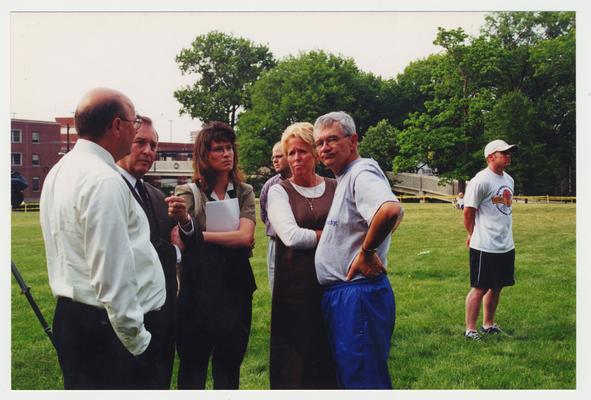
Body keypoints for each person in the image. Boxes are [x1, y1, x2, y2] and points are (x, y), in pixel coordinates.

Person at [39, 88, 166, 389]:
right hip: (110, 332)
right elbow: (113, 273)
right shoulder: (104, 180)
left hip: (76, 319)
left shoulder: (60, 171)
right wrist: (137, 340)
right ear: (117, 125)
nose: (136, 131)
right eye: (135, 124)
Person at [313, 111, 404, 389]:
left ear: (353, 141)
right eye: (319, 143)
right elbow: (395, 215)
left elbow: (390, 210)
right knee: (352, 376)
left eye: (332, 139)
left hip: (358, 295)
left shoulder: (361, 172)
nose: (324, 148)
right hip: (346, 296)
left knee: (363, 380)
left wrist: (366, 252)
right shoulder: (347, 176)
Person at [167, 121, 257, 389]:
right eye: (218, 149)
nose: (227, 153)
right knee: (192, 368)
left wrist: (198, 236)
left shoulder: (244, 192)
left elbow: (245, 236)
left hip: (236, 289)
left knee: (229, 368)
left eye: (229, 148)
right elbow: (179, 238)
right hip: (198, 291)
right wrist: (189, 231)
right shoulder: (188, 192)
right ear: (204, 155)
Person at [267, 122, 338, 389]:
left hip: (332, 284)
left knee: (328, 354)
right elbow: (292, 237)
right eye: (291, 153)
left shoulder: (335, 186)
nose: (296, 158)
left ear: (316, 154)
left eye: (303, 151)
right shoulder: (279, 190)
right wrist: (331, 234)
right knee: (296, 360)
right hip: (294, 290)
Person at [116, 116, 180, 388]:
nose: (148, 151)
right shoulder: (110, 188)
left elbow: (170, 241)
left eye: (153, 145)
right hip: (128, 317)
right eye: (140, 142)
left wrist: (183, 229)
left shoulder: (155, 194)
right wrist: (173, 251)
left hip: (163, 316)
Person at [463, 139, 518, 340]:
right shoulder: (481, 180)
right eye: (503, 152)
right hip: (484, 244)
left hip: (505, 244)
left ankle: (488, 324)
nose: (508, 155)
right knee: (480, 287)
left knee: (497, 286)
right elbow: (468, 212)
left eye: (509, 152)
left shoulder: (509, 180)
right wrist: (472, 234)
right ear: (490, 157)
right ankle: (470, 329)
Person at [259, 141, 292, 292]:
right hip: (276, 243)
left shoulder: (305, 183)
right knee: (277, 290)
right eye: (273, 157)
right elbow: (264, 215)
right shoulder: (270, 185)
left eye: (279, 156)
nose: (274, 160)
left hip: (301, 243)